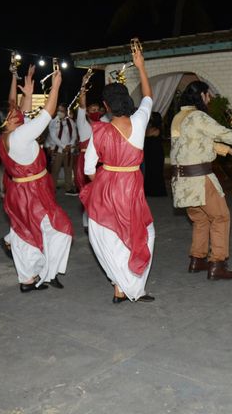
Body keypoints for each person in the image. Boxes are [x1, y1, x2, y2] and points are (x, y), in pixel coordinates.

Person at [80, 49, 156, 303]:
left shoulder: (98, 130)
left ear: (106, 106)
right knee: (142, 233)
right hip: (132, 184)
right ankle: (130, 286)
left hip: (106, 186)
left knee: (108, 236)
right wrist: (141, 67)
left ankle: (119, 286)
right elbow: (148, 96)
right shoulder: (141, 120)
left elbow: (89, 169)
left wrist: (104, 183)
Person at [170, 80, 232, 280]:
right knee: (221, 217)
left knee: (200, 220)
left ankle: (197, 259)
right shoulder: (198, 116)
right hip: (199, 178)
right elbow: (223, 133)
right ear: (201, 95)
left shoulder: (178, 117)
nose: (209, 99)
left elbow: (195, 143)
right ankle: (217, 264)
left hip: (181, 181)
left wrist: (227, 150)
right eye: (208, 95)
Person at [0, 63, 73, 293]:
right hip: (32, 194)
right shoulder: (21, 136)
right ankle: (49, 273)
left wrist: (28, 94)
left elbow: (18, 109)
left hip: (19, 193)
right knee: (61, 228)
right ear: (8, 121)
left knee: (25, 233)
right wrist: (56, 87)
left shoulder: (7, 136)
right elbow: (47, 114)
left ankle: (27, 279)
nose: (18, 111)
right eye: (14, 114)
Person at [74, 72, 102, 233]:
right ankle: (87, 222)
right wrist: (83, 86)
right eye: (92, 109)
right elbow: (82, 104)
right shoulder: (82, 123)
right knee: (87, 191)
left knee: (99, 192)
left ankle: (98, 220)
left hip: (100, 161)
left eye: (97, 109)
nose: (95, 111)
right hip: (84, 161)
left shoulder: (104, 123)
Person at [47, 103, 77, 195]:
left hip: (68, 150)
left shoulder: (70, 121)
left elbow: (74, 135)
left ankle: (68, 188)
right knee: (55, 170)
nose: (61, 112)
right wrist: (64, 146)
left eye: (63, 110)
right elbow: (53, 136)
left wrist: (70, 145)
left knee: (68, 169)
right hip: (58, 149)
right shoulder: (52, 122)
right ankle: (52, 188)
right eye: (59, 110)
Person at [143, 111, 167, 197]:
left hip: (156, 155)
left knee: (156, 171)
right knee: (149, 171)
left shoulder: (157, 129)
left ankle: (157, 192)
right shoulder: (151, 128)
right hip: (150, 154)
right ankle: (149, 191)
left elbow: (146, 134)